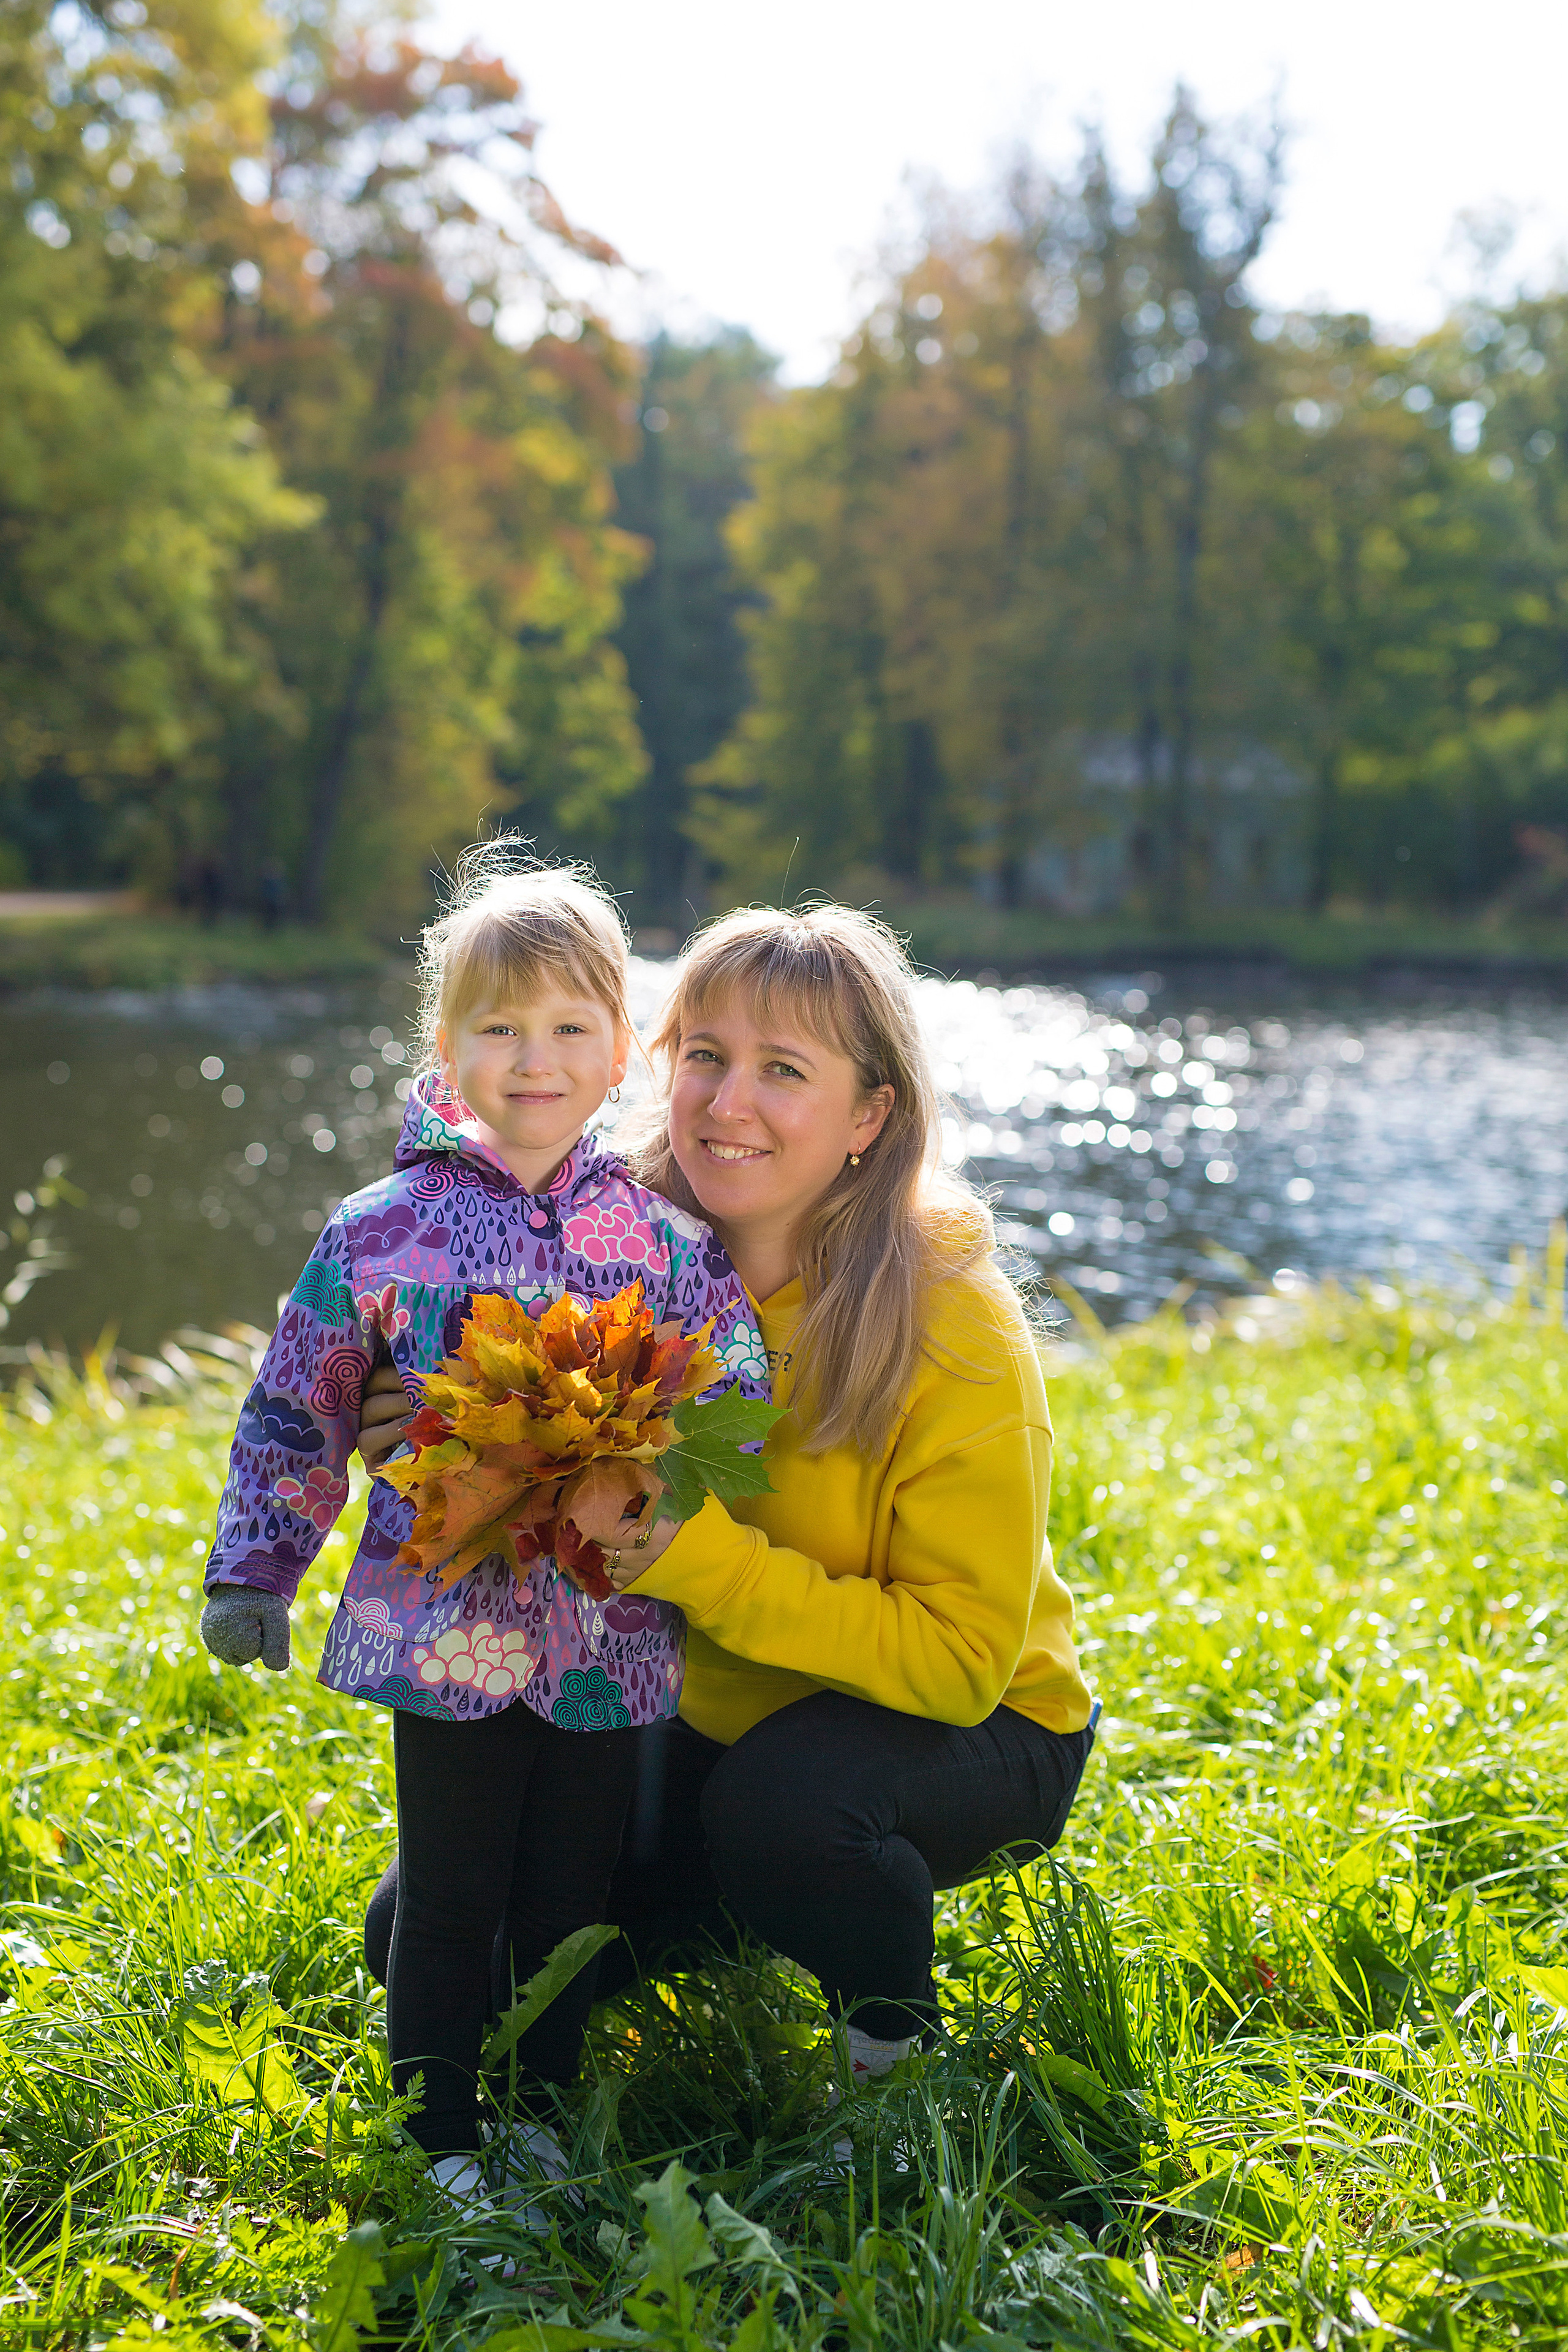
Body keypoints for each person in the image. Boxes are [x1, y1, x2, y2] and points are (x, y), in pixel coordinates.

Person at [358, 903, 1096, 2103]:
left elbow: (961, 1663)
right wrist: (412, 1425)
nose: (724, 1102)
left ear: (870, 1116)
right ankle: (738, 1912)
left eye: (783, 1071)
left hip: (979, 1726)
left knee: (787, 1811)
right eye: (703, 1055)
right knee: (428, 1937)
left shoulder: (952, 1322)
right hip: (714, 1715)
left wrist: (697, 1560)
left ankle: (887, 2059)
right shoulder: (612, 1244)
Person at [197, 848, 764, 2210]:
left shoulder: (662, 1238)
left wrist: (672, 1481)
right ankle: (441, 2132)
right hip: (440, 1628)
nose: (535, 1058)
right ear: (445, 1045)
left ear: (620, 1047)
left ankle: (539, 2119)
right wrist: (255, 1566)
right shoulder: (381, 1232)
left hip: (604, 1635)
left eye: (570, 1027)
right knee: (451, 1894)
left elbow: (733, 1384)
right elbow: (301, 1403)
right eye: (500, 1027)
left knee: (566, 1902)